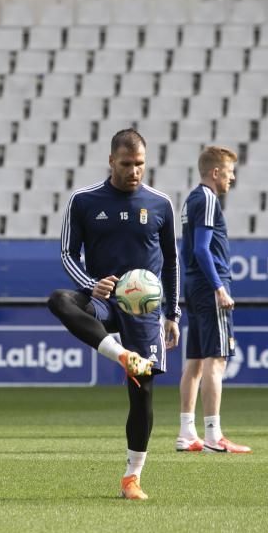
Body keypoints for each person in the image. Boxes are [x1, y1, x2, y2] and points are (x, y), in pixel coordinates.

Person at [48, 128, 180, 500]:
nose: (134, 171)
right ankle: (122, 355)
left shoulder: (160, 203)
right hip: (104, 300)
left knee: (143, 395)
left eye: (140, 164)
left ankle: (131, 478)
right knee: (59, 300)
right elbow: (66, 254)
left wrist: (173, 314)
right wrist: (91, 284)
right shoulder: (84, 200)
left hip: (144, 310)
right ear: (111, 161)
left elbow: (172, 261)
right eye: (127, 164)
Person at [176, 146, 251, 454]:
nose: (232, 178)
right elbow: (202, 249)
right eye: (230, 172)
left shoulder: (192, 199)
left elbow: (186, 250)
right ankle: (213, 435)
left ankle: (186, 433)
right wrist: (218, 286)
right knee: (216, 360)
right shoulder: (207, 199)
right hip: (209, 286)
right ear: (216, 172)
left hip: (196, 286)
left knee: (195, 361)